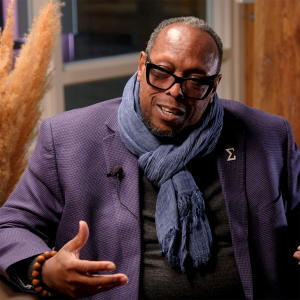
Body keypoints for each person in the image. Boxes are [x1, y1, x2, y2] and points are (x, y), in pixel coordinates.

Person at [0, 16, 300, 300]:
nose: (175, 91)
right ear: (142, 65)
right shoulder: (69, 138)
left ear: (214, 86)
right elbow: (10, 226)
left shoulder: (269, 134)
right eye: (162, 72)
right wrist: (45, 270)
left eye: (195, 80)